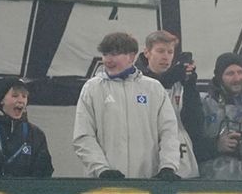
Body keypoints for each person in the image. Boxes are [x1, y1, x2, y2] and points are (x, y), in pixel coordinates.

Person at [72, 32, 182, 180]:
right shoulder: (92, 88)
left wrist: (168, 167)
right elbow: (83, 135)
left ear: (131, 56)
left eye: (115, 54)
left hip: (147, 183)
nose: (108, 59)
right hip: (104, 184)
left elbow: (169, 132)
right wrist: (101, 170)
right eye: (105, 54)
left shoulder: (153, 88)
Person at [135, 31, 205, 180]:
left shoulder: (179, 81)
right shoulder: (134, 81)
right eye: (160, 51)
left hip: (182, 162)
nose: (165, 56)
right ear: (147, 52)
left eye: (170, 52)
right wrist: (165, 82)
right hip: (146, 162)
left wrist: (191, 87)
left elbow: (195, 125)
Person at [201, 53, 242, 180]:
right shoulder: (205, 104)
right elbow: (194, 143)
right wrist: (216, 145)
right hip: (212, 182)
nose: (237, 78)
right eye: (230, 74)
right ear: (219, 77)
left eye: (240, 72)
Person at [0, 79, 52, 177]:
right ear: (1, 100)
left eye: (24, 96)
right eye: (15, 96)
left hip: (23, 191)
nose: (21, 100)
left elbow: (45, 172)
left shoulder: (36, 134)